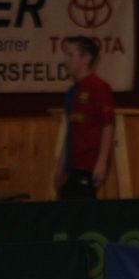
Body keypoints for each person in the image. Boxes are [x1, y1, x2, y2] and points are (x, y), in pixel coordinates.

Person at [53, 36, 115, 200]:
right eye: (65, 55)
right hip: (72, 165)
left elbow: (107, 125)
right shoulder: (71, 92)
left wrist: (102, 162)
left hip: (88, 165)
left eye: (70, 55)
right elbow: (70, 131)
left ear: (86, 59)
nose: (65, 60)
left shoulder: (98, 87)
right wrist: (61, 166)